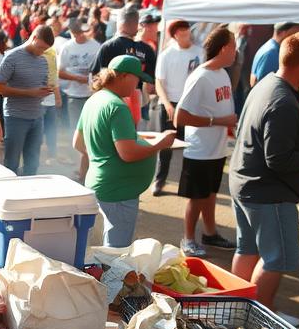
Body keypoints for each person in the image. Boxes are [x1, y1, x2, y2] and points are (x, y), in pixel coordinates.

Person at [230, 31, 299, 317]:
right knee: (277, 258)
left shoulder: (270, 84)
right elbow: (278, 159)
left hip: (246, 182)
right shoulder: (282, 101)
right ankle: (261, 318)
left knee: (248, 248)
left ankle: (234, 311)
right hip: (268, 191)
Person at [74, 56, 178, 247]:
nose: (138, 84)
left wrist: (101, 155)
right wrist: (160, 144)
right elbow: (127, 153)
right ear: (122, 76)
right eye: (136, 77)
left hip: (99, 185)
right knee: (115, 254)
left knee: (96, 249)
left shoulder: (95, 99)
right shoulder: (117, 106)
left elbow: (78, 144)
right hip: (117, 192)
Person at [173, 26, 238, 257]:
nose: (236, 52)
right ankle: (188, 239)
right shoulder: (200, 76)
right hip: (199, 149)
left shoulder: (221, 73)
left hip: (216, 148)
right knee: (197, 197)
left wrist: (227, 123)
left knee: (210, 194)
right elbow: (179, 117)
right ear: (224, 49)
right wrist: (218, 120)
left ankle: (210, 234)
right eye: (234, 47)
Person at [0, 25, 56, 176]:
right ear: (34, 38)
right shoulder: (12, 56)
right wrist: (30, 93)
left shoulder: (42, 60)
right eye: (41, 47)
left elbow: (40, 85)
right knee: (11, 163)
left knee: (33, 163)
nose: (42, 52)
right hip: (15, 117)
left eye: (45, 50)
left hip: (37, 117)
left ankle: (28, 194)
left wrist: (44, 90)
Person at [152, 20, 203, 195]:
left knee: (191, 144)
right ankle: (160, 180)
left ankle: (189, 182)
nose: (185, 32)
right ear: (175, 35)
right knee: (166, 145)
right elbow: (159, 82)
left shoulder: (200, 52)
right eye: (181, 30)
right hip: (170, 104)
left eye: (186, 29)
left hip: (191, 104)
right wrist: (167, 104)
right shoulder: (166, 55)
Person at [57, 17, 100, 179]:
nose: (78, 36)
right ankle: (81, 167)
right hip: (74, 95)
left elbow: (102, 71)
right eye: (75, 33)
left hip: (91, 95)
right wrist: (78, 79)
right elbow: (59, 72)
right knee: (76, 132)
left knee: (92, 133)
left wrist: (92, 80)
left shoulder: (96, 46)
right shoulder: (67, 47)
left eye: (80, 33)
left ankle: (87, 168)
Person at [250, 22, 299, 87]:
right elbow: (266, 85)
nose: (295, 39)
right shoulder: (271, 53)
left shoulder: (270, 47)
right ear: (283, 33)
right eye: (294, 35)